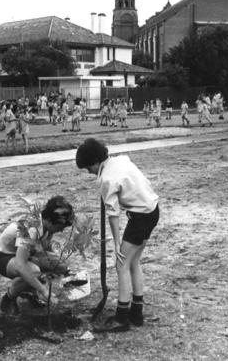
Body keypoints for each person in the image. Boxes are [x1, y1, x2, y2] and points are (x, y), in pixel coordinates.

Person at [75, 138, 159, 332]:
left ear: (96, 161)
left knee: (121, 264)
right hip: (152, 210)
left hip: (140, 217)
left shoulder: (106, 179)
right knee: (133, 261)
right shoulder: (121, 160)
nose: (89, 172)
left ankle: (122, 317)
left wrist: (116, 243)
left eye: (88, 168)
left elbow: (113, 215)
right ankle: (136, 313)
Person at [0, 196, 74, 316]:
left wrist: (64, 271)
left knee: (58, 264)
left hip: (23, 255)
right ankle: (8, 299)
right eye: (60, 227)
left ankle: (29, 291)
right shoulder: (31, 228)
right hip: (2, 257)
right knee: (33, 271)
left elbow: (44, 249)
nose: (61, 231)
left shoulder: (46, 226)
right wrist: (44, 290)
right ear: (50, 221)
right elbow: (21, 265)